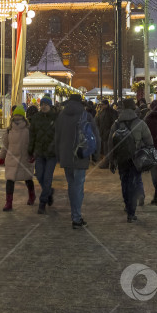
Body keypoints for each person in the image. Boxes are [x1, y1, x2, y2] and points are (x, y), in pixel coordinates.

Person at [54, 93, 98, 229]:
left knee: (72, 185)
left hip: (66, 156)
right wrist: (95, 155)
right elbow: (95, 136)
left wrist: (58, 155)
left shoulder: (61, 116)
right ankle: (76, 217)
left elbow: (57, 137)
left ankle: (75, 215)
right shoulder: (86, 116)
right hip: (81, 155)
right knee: (78, 187)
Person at [109, 98, 153, 223]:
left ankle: (127, 204)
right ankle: (131, 212)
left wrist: (112, 160)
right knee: (133, 183)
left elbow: (110, 144)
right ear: (134, 108)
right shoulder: (140, 123)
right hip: (136, 158)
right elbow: (149, 141)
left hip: (121, 158)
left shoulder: (116, 124)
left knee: (124, 182)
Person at [0, 106, 36, 211]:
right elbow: (5, 145)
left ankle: (32, 196)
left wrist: (33, 155)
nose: (17, 117)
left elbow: (32, 144)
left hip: (25, 158)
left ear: (23, 116)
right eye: (16, 114)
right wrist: (2, 156)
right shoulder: (9, 130)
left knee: (28, 179)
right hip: (12, 159)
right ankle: (8, 203)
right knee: (10, 180)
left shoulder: (28, 130)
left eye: (19, 115)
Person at [29, 95, 58, 214]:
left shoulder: (56, 118)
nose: (44, 106)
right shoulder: (36, 118)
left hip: (52, 153)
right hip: (40, 152)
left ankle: (42, 202)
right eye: (42, 105)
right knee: (39, 175)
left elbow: (59, 135)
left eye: (46, 104)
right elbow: (32, 135)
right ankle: (49, 192)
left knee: (47, 178)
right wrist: (30, 150)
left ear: (50, 106)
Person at [95, 99, 118, 169]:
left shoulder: (111, 112)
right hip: (103, 133)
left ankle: (108, 163)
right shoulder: (100, 112)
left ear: (106, 105)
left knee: (108, 148)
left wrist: (109, 131)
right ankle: (109, 162)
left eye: (102, 105)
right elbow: (98, 121)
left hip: (108, 133)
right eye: (100, 105)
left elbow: (114, 122)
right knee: (105, 148)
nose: (101, 106)